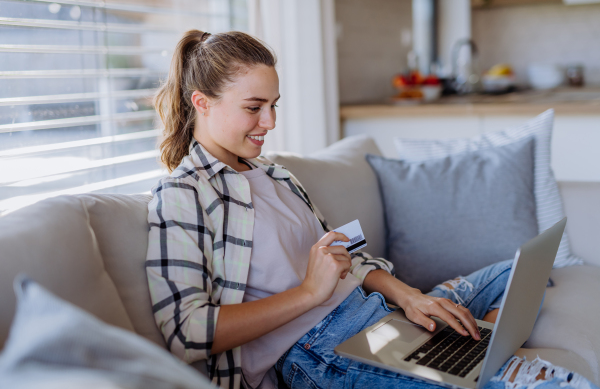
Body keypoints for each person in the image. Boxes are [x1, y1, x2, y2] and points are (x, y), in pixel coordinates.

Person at [145, 30, 595, 389]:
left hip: (377, 316)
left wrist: (409, 296)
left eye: (274, 106)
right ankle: (480, 363)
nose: (271, 123)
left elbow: (349, 256)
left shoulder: (277, 176)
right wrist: (308, 293)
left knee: (513, 273)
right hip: (319, 350)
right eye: (254, 108)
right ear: (201, 103)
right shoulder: (183, 196)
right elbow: (189, 333)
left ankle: (474, 346)